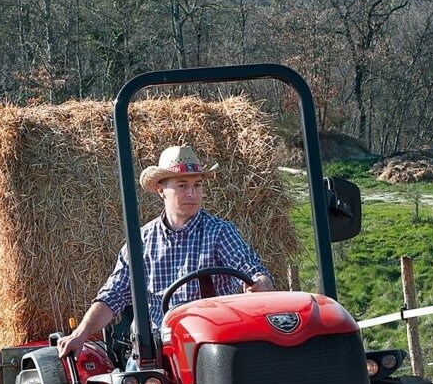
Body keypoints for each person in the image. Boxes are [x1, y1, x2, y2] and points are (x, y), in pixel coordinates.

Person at [57, 144, 275, 359]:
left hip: (213, 344)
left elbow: (251, 269)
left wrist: (260, 282)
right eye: (182, 185)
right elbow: (112, 295)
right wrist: (81, 333)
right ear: (162, 190)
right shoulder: (140, 242)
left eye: (197, 185)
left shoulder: (219, 232)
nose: (192, 193)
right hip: (160, 348)